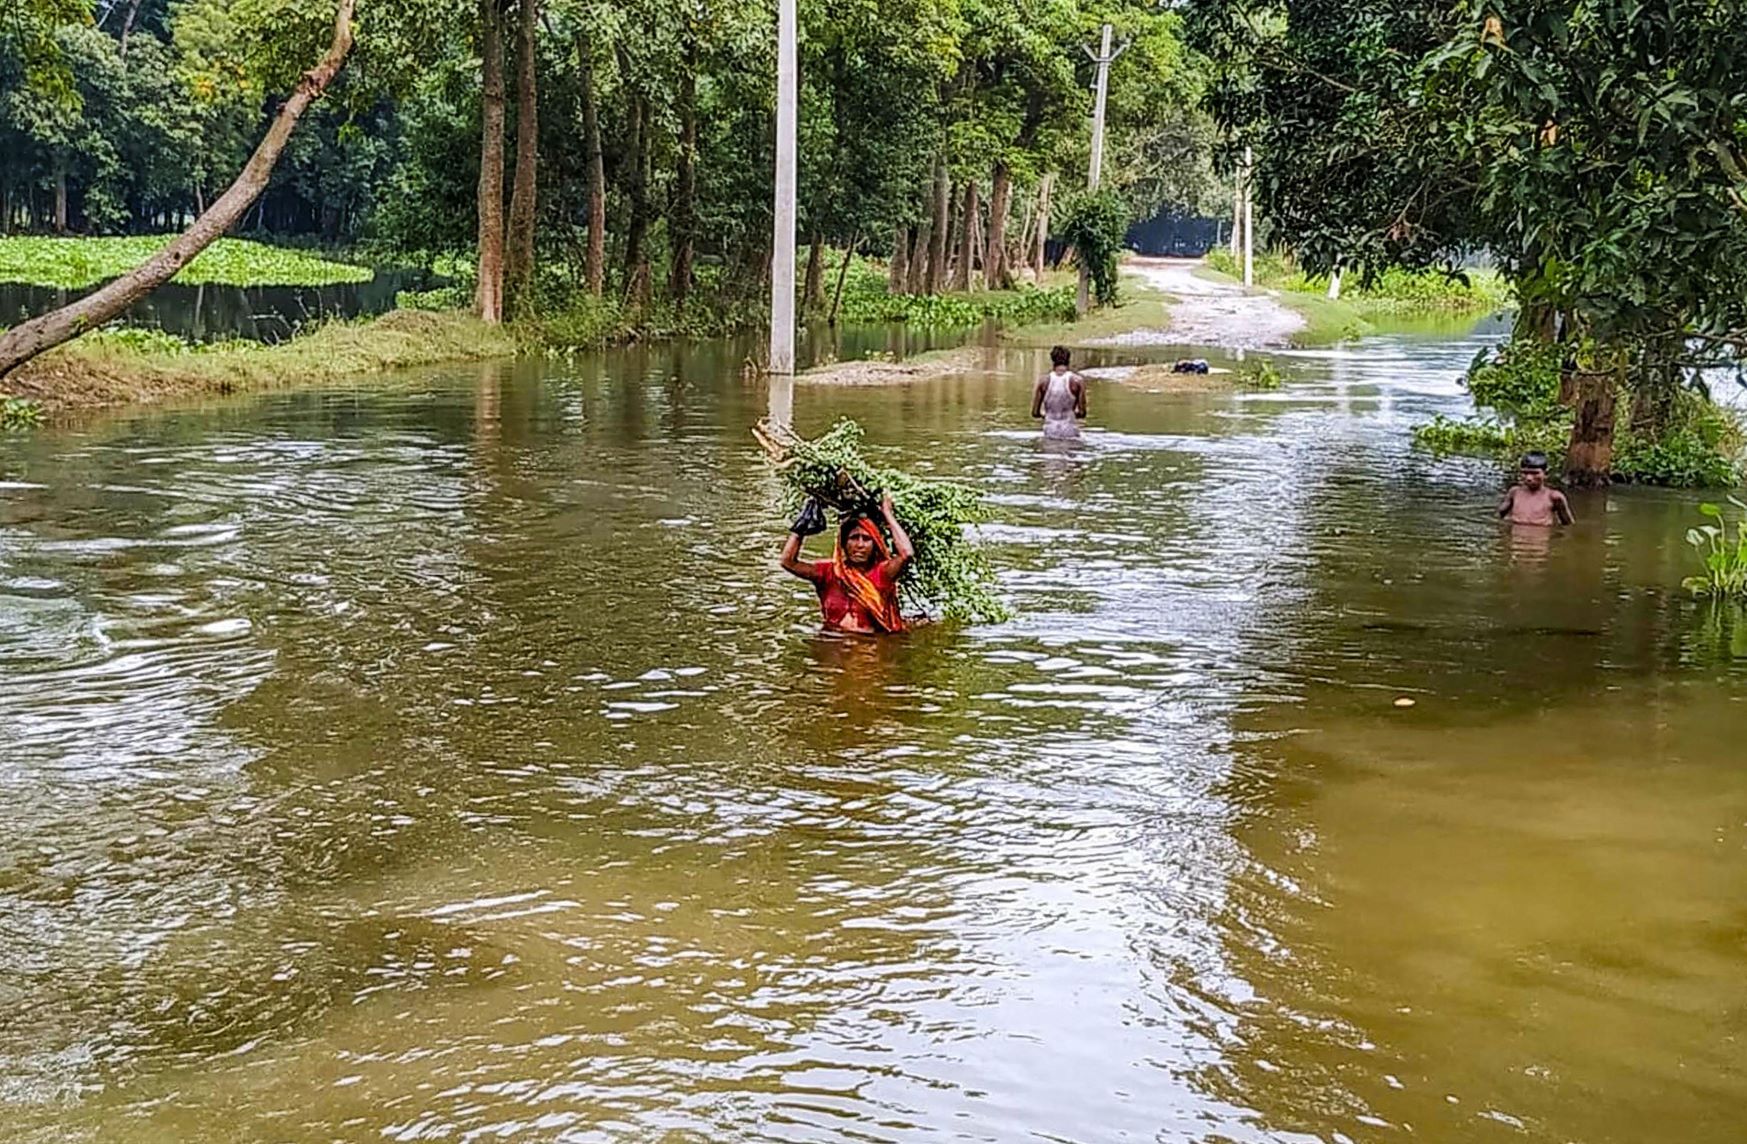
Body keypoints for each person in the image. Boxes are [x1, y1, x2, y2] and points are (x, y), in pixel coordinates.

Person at [780, 492, 914, 634]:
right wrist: (800, 529)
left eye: (866, 539)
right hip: (833, 643)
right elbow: (788, 562)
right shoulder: (828, 572)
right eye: (854, 538)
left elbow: (906, 554)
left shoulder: (883, 573)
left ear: (875, 545)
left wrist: (888, 514)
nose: (860, 545)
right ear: (843, 544)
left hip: (870, 647)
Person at [1498, 452, 1574, 526]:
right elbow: (1500, 515)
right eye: (1525, 473)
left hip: (1540, 536)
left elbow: (1568, 524)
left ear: (1546, 474)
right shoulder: (1514, 492)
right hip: (1516, 537)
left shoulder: (1554, 497)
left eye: (1534, 473)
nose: (1529, 478)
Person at [1032, 346, 1088, 440]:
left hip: (1050, 429)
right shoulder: (1077, 381)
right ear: (1068, 360)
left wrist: (1047, 415)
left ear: (1053, 360)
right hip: (1069, 429)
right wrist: (1071, 414)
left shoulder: (1043, 382)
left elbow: (1035, 413)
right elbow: (1082, 413)